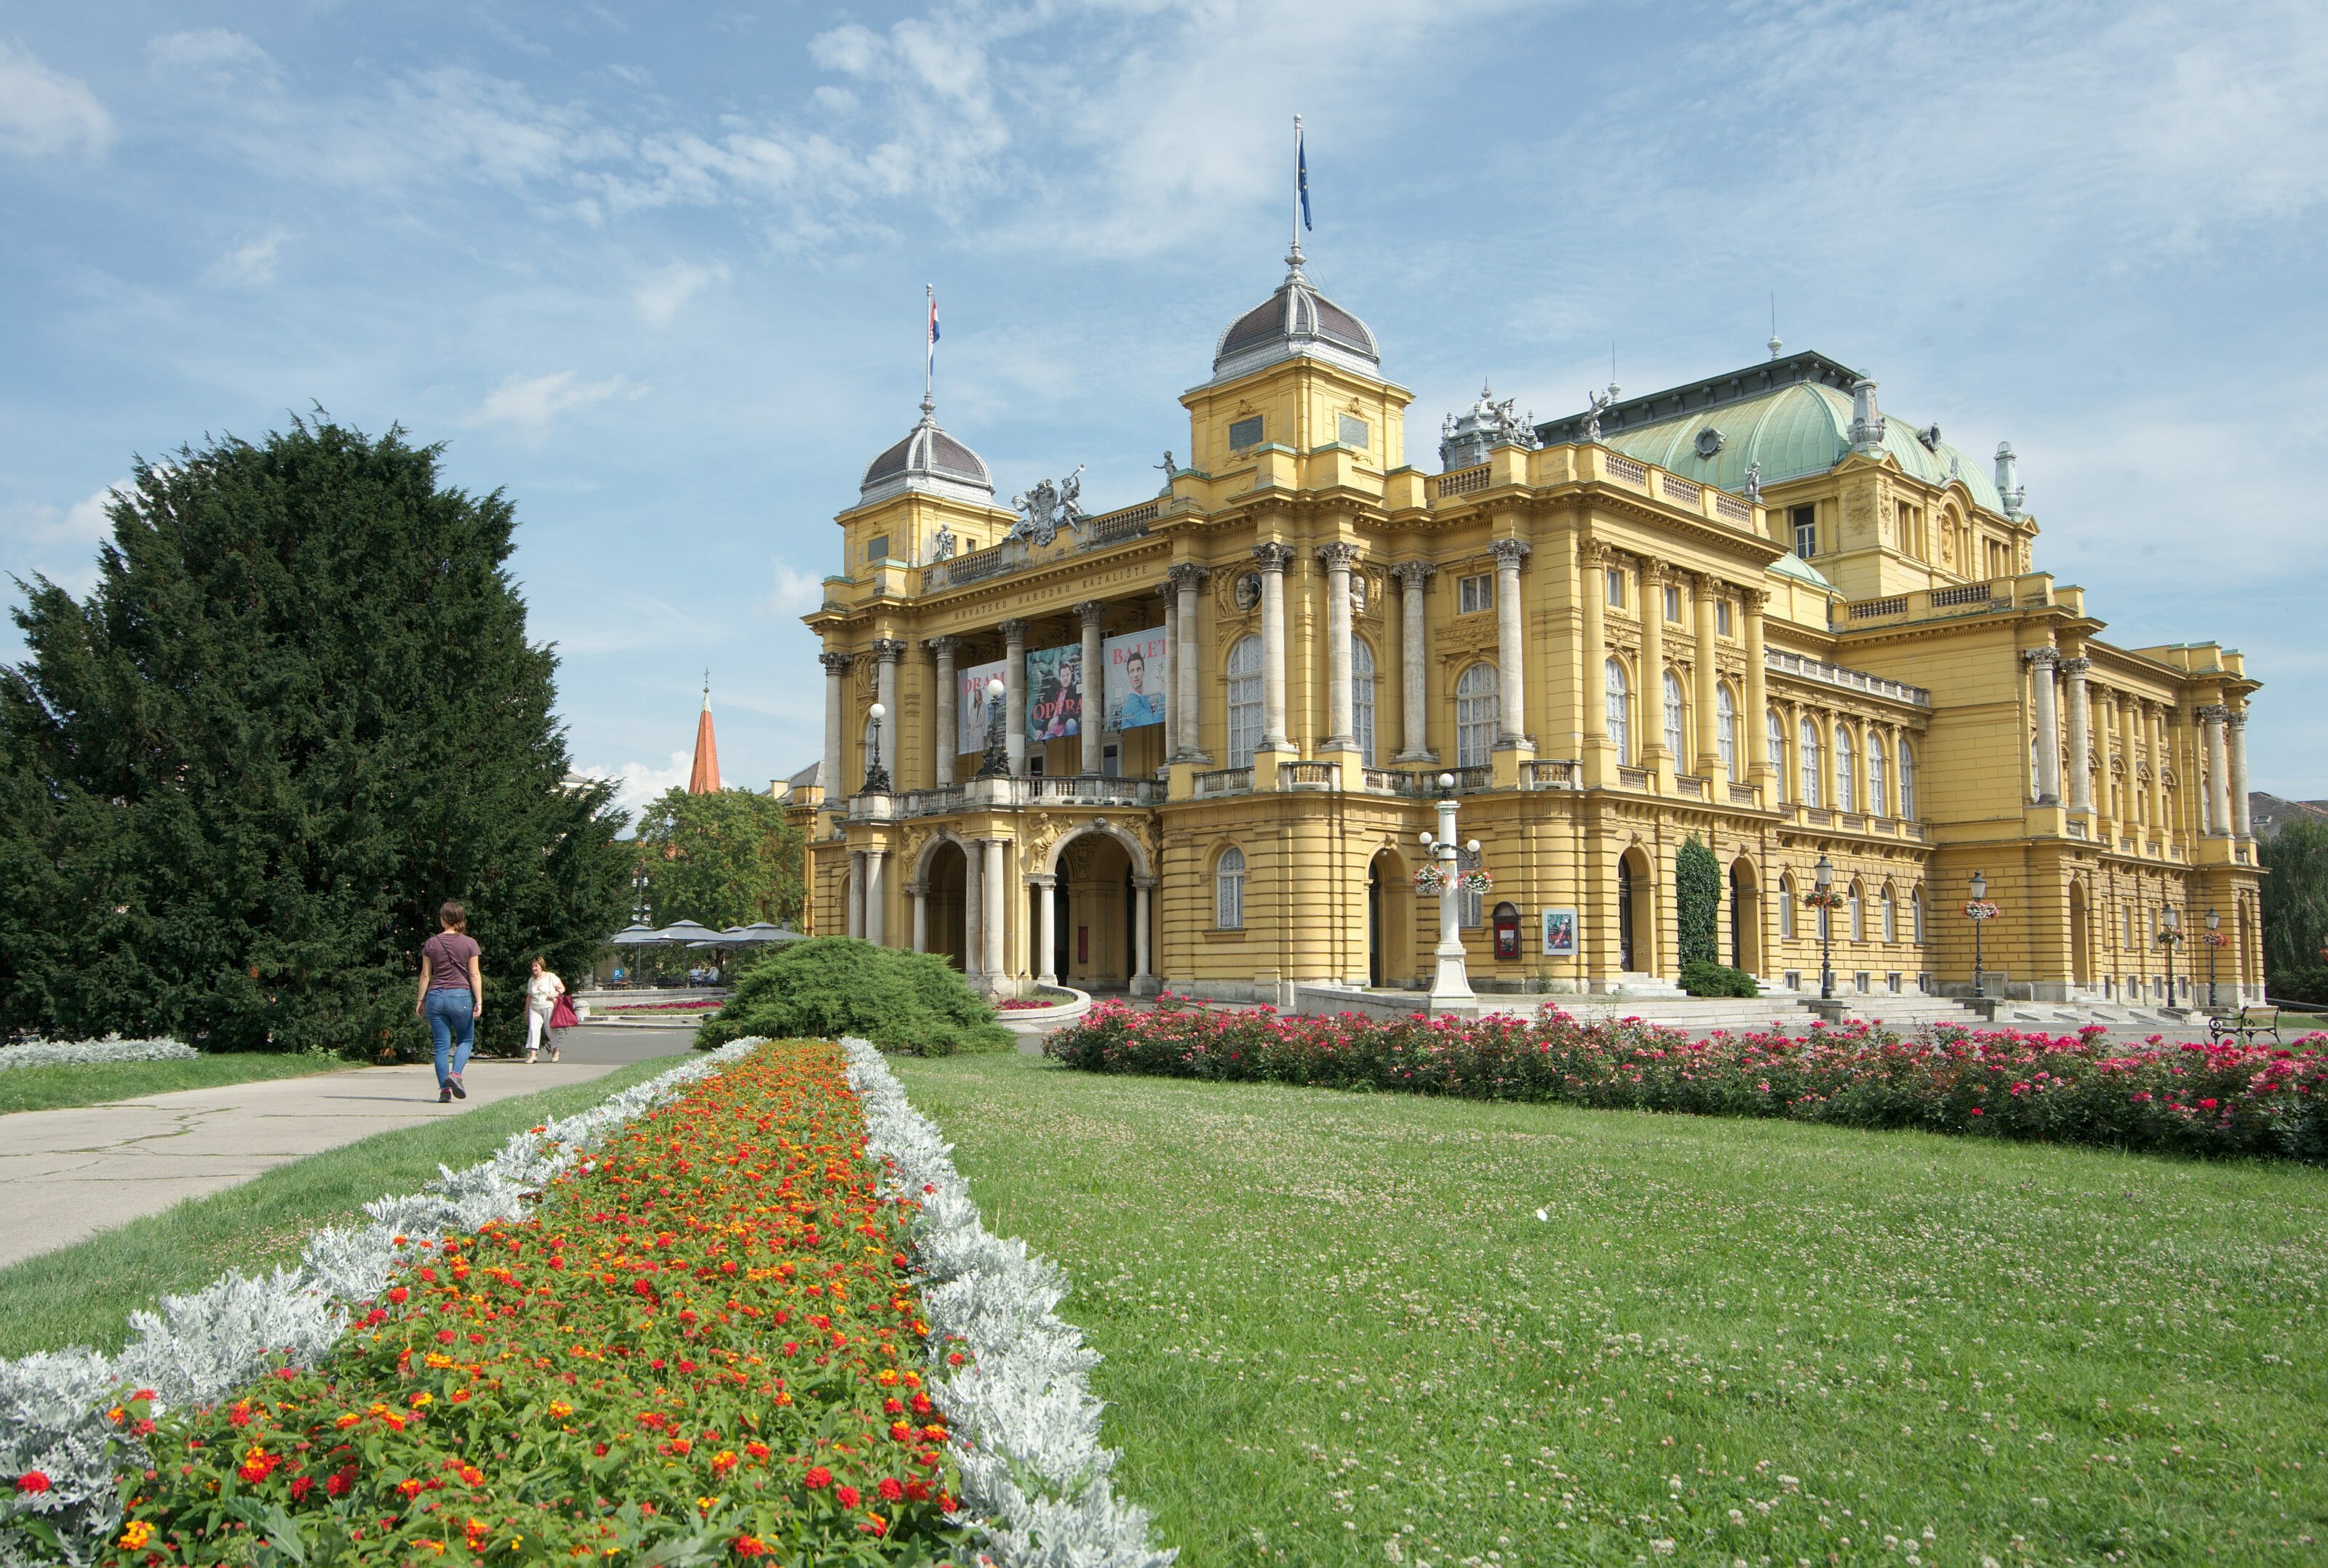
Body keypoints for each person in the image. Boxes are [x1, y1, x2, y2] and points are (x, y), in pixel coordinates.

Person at [415, 900, 484, 1104]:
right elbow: (474, 974)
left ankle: (444, 1092)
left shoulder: (431, 943)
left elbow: (426, 974)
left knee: (441, 1047)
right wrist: (479, 1001)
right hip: (459, 996)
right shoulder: (470, 943)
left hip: (436, 997)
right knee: (466, 1040)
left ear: (445, 919)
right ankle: (455, 1075)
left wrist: (420, 1000)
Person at [525, 955, 566, 1063]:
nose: (534, 968)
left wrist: (554, 994)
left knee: (550, 1030)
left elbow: (562, 988)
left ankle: (555, 1051)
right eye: (533, 966)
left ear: (541, 966)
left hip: (548, 1007)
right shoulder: (531, 980)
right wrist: (526, 1013)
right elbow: (529, 997)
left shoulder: (550, 977)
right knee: (533, 1029)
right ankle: (533, 1054)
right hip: (534, 1008)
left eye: (536, 966)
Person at [1115, 649, 1164, 729]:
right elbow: (1153, 724)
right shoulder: (1131, 704)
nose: (1136, 675)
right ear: (1128, 675)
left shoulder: (1144, 698)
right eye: (1132, 671)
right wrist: (1163, 693)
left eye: (1138, 669)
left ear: (1144, 672)